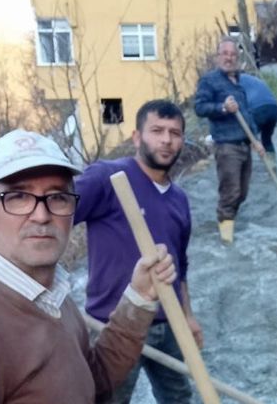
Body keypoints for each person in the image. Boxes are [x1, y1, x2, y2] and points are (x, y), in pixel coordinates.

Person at [0, 129, 176, 403]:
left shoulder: (49, 292)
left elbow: (90, 384)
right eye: (18, 197)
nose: (42, 214)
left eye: (57, 196)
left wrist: (139, 298)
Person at [73, 99, 201, 404]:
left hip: (166, 323)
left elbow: (180, 267)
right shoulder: (107, 178)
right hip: (113, 325)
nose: (167, 140)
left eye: (175, 132)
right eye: (157, 130)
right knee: (107, 399)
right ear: (136, 136)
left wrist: (188, 317)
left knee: (179, 398)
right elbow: (52, 216)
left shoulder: (179, 199)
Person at [195, 37, 265, 244]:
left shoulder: (238, 81)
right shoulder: (209, 81)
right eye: (225, 53)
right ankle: (226, 240)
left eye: (233, 54)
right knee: (231, 191)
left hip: (244, 143)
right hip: (227, 146)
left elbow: (246, 114)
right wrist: (223, 107)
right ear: (218, 57)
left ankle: (228, 220)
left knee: (242, 193)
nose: (229, 58)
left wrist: (256, 140)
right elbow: (200, 108)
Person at [239, 71, 277, 167]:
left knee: (244, 138)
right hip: (274, 108)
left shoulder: (235, 82)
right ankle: (272, 164)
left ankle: (243, 167)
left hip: (258, 109)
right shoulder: (254, 79)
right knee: (267, 139)